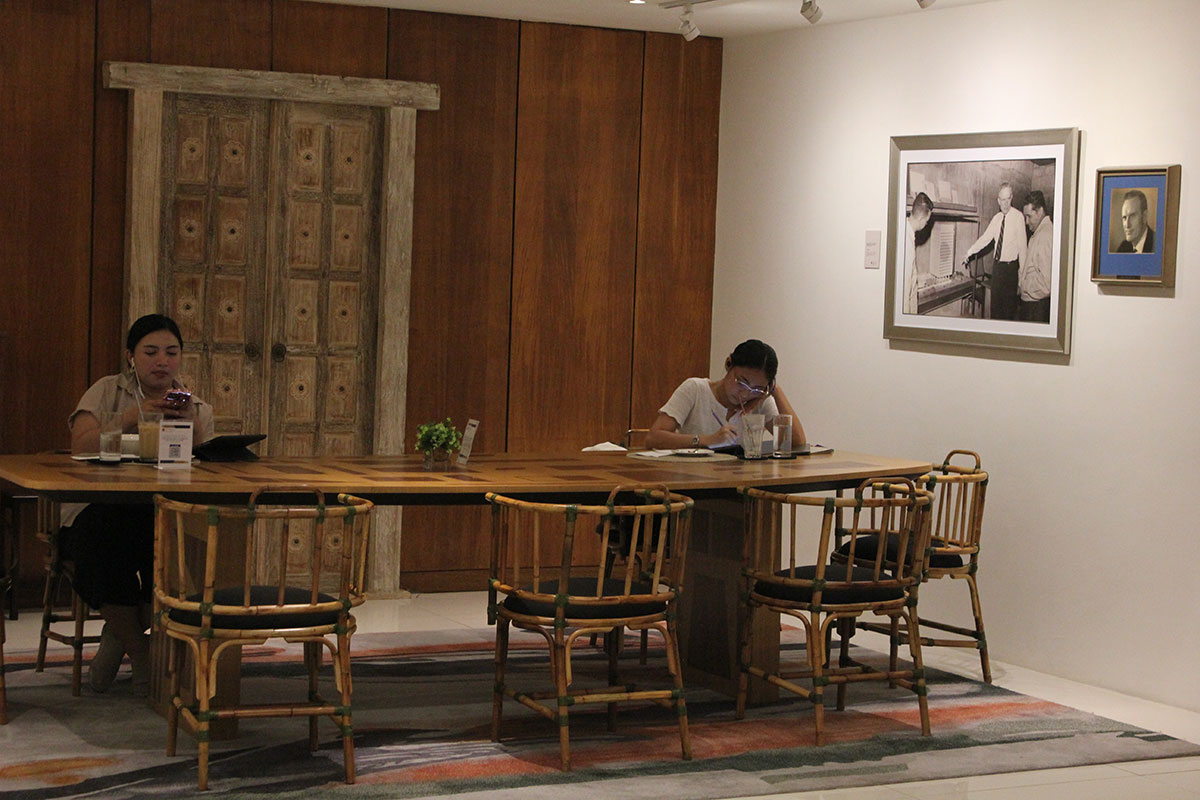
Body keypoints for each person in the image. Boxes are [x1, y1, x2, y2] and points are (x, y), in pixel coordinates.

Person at [60, 314, 213, 692]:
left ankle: (120, 633)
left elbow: (208, 467)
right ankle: (142, 653)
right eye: (151, 352)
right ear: (131, 356)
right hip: (98, 506)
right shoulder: (106, 391)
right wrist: (132, 416)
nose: (162, 361)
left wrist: (191, 423)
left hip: (159, 507)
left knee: (181, 547)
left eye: (171, 353)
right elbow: (80, 445)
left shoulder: (193, 404)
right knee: (100, 540)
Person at [645, 339, 806, 451]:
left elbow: (797, 443)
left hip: (740, 483)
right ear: (728, 364)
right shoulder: (696, 389)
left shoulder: (760, 400)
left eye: (756, 388)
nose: (746, 393)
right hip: (693, 484)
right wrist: (707, 440)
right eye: (741, 382)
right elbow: (653, 438)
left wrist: (775, 391)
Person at [961, 182, 1026, 320]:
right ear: (998, 200)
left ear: (1012, 198)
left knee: (1008, 312)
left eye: (1008, 199)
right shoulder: (996, 219)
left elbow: (1023, 249)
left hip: (1010, 270)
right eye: (1002, 200)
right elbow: (985, 239)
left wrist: (1021, 279)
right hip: (997, 269)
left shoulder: (1018, 217)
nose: (1005, 203)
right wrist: (969, 252)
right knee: (995, 310)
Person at [1018, 190, 1053, 323]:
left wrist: (1023, 284)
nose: (1026, 222)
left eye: (1029, 216)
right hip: (1033, 305)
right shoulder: (1040, 232)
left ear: (1040, 211)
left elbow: (1046, 284)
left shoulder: (1045, 236)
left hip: (1036, 309)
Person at [903, 192, 934, 315]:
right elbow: (905, 292)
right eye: (926, 221)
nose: (926, 224)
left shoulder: (906, 232)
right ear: (921, 220)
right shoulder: (906, 244)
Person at [1116, 189, 1155, 253]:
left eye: (1132, 216)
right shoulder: (1123, 248)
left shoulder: (1157, 243)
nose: (1127, 225)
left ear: (1144, 216)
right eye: (1124, 218)